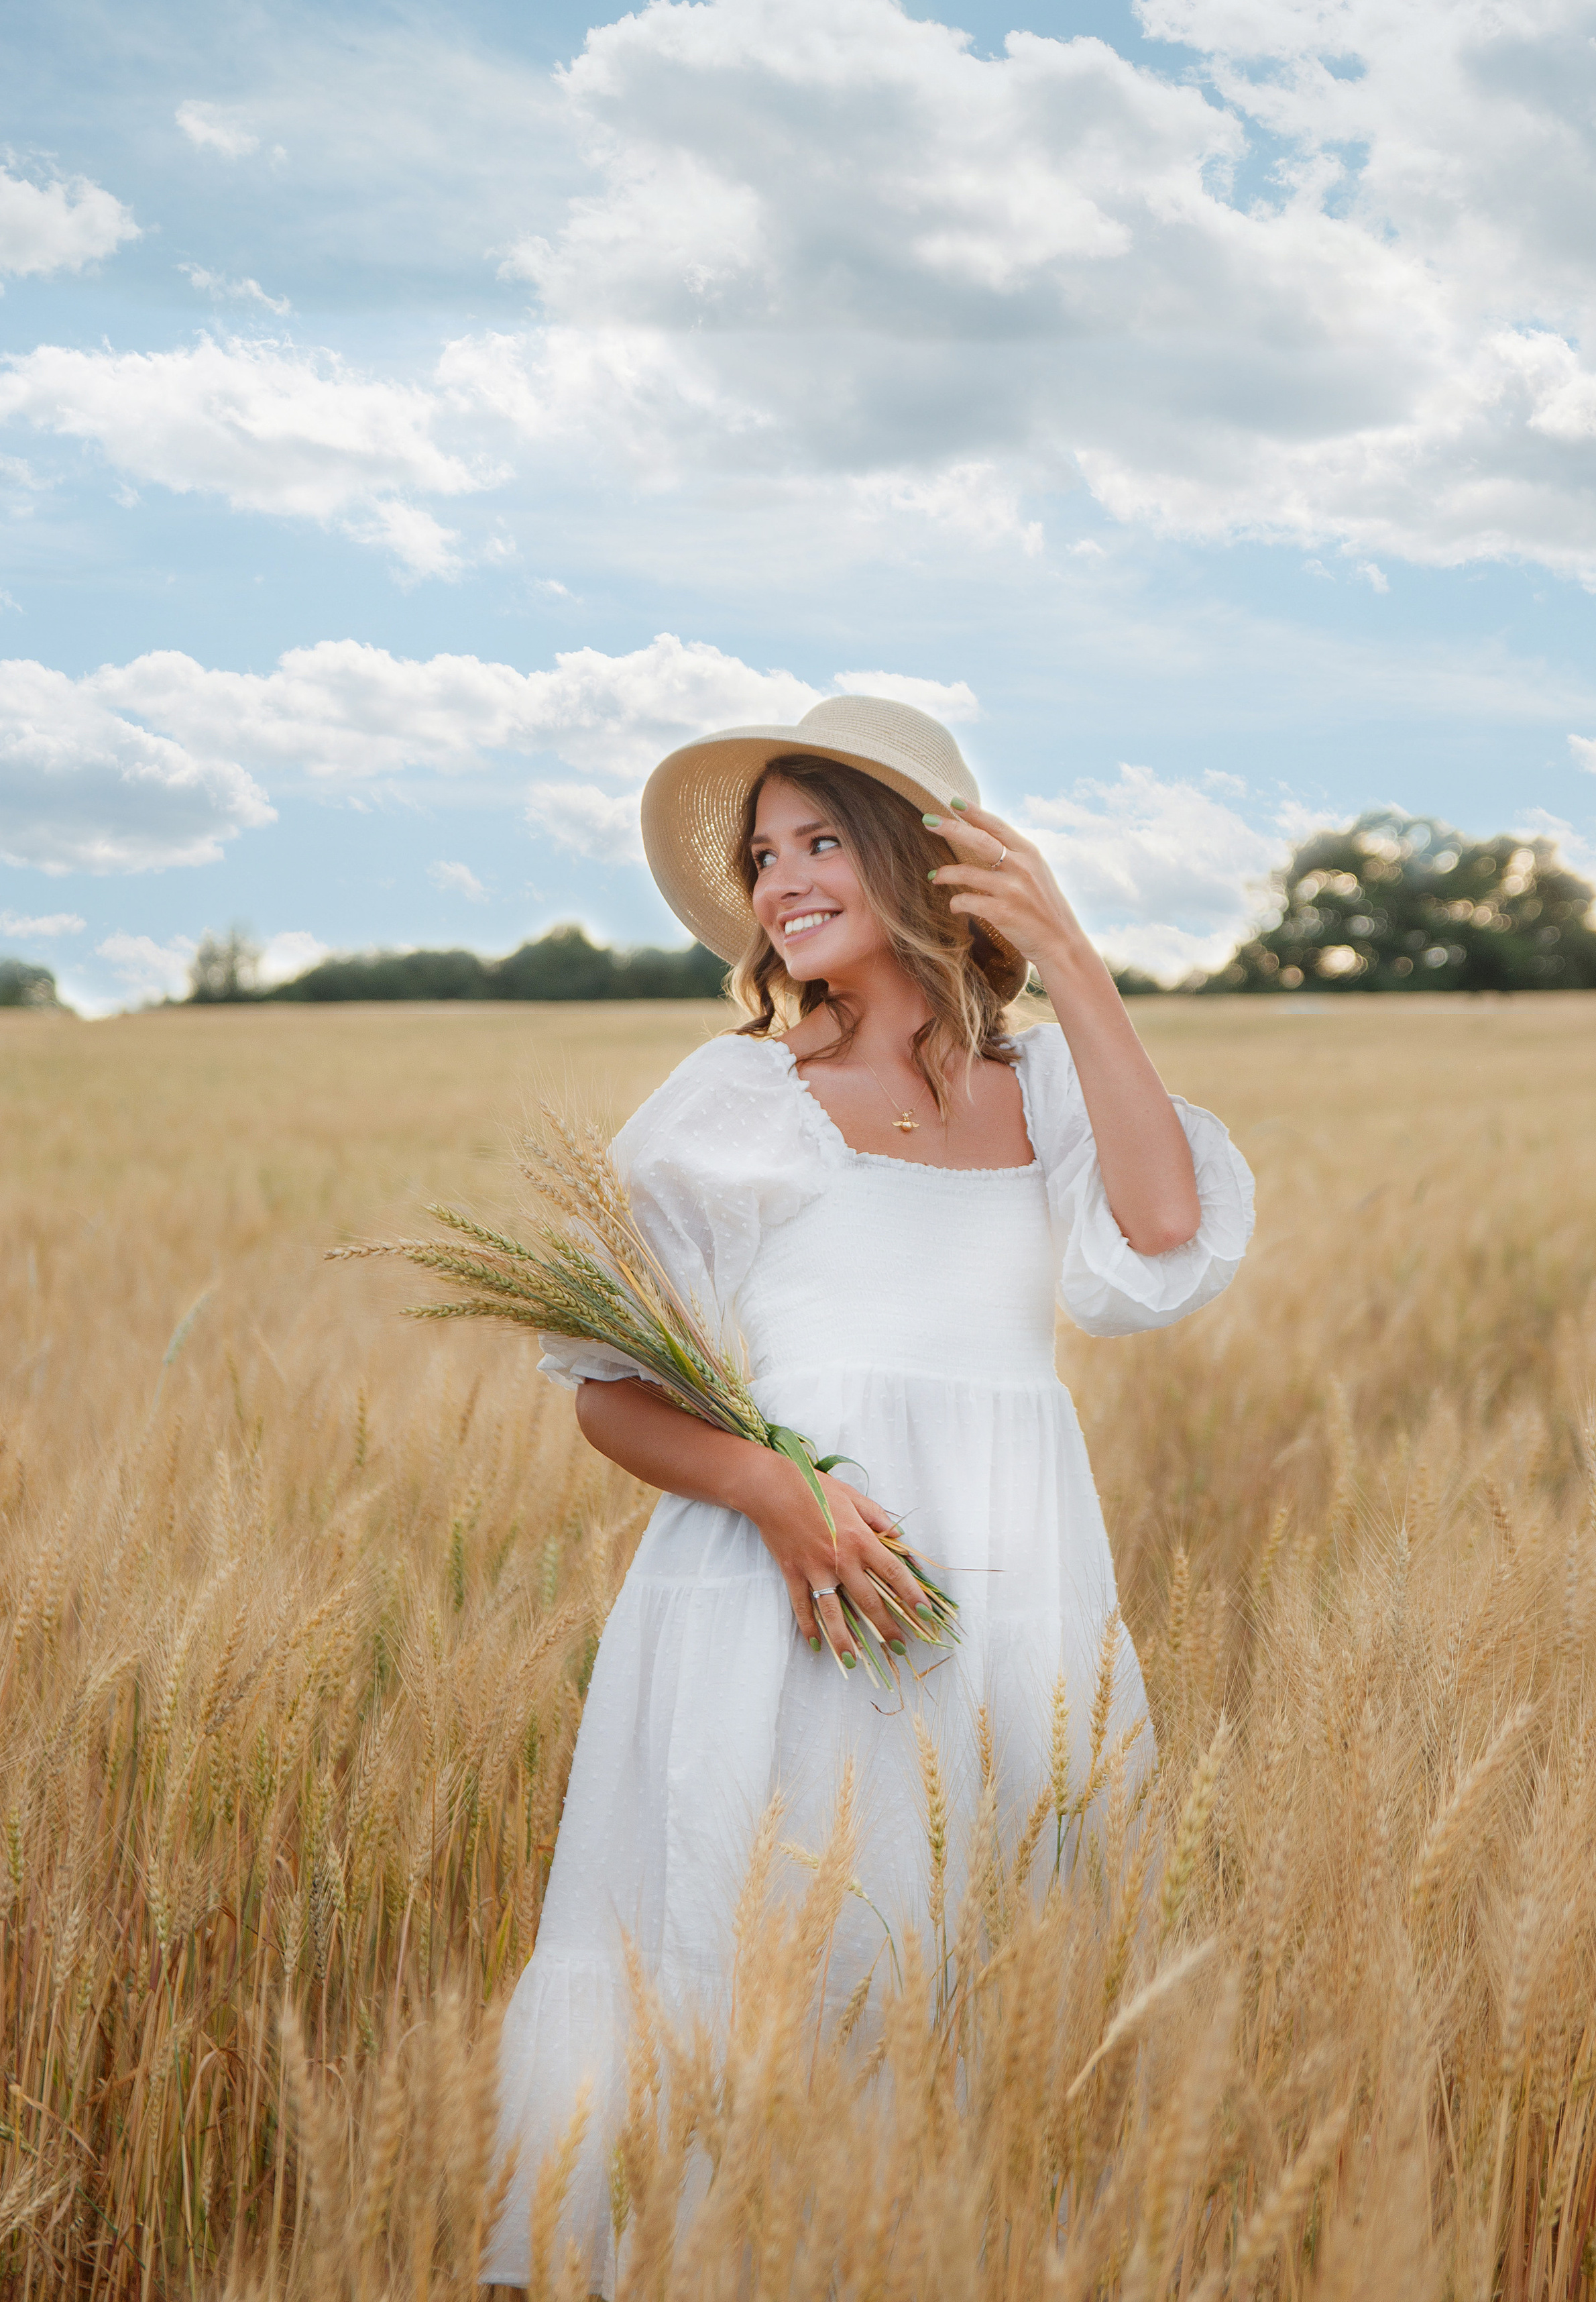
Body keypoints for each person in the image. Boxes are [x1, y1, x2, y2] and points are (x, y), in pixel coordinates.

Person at [484, 694, 1254, 2291]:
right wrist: (775, 1490)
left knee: (986, 1977)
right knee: (760, 1968)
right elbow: (611, 1393)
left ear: (930, 861)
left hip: (1009, 1608)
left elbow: (1161, 1231)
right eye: (765, 856)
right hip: (784, 1605)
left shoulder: (1041, 1094)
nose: (781, 882)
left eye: (821, 838)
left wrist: (1075, 956)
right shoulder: (731, 1098)